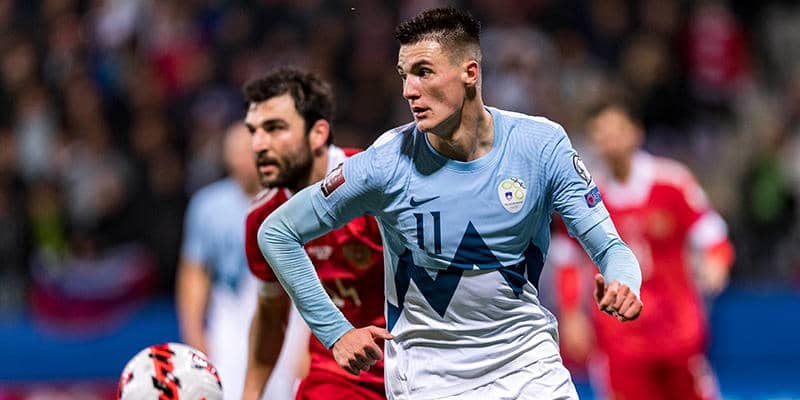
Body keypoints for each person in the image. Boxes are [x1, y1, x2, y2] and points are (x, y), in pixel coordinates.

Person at [256, 7, 643, 400]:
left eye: (423, 72)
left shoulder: (541, 146)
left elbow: (611, 248)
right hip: (431, 378)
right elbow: (277, 232)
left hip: (530, 366)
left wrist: (624, 283)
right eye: (404, 75)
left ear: (469, 73)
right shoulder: (385, 164)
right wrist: (335, 332)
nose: (409, 90)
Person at [552, 100, 735, 400]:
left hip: (678, 331)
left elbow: (713, 233)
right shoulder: (584, 196)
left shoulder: (671, 183)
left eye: (617, 131)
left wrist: (717, 261)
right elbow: (567, 258)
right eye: (601, 133)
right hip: (619, 339)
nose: (610, 141)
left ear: (636, 132)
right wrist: (571, 312)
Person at [241, 66, 386, 400]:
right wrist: (250, 394)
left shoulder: (374, 185)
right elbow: (272, 314)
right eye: (254, 131)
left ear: (318, 133)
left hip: (419, 364)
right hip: (342, 374)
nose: (259, 144)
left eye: (274, 128)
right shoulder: (263, 218)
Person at [175, 122, 262, 400]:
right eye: (239, 151)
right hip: (229, 315)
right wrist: (194, 334)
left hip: (286, 311)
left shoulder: (292, 199)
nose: (247, 157)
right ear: (227, 156)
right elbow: (194, 273)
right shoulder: (208, 205)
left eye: (252, 149)